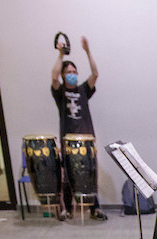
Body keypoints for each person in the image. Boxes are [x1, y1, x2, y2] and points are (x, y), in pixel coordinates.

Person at [51, 36, 105, 220]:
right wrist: (60, 55)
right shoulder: (60, 93)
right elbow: (53, 76)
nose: (73, 74)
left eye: (75, 71)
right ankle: (67, 209)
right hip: (68, 140)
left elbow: (95, 74)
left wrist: (88, 51)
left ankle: (94, 208)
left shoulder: (83, 90)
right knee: (68, 176)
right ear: (64, 75)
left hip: (86, 140)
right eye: (69, 71)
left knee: (90, 174)